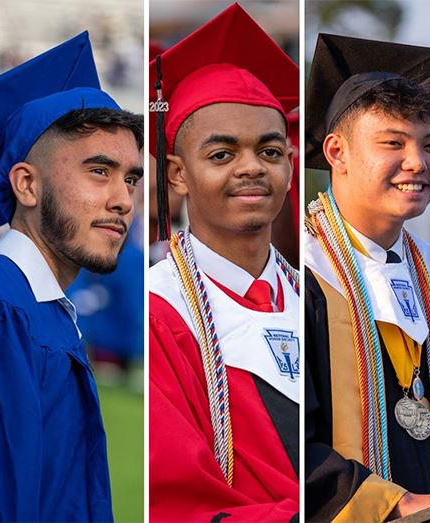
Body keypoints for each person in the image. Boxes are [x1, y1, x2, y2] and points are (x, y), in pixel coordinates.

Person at [146, 4, 300, 520]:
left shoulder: (327, 298)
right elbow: (177, 504)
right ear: (177, 175)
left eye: (271, 151)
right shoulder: (159, 313)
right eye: (221, 154)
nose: (252, 167)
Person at [302, 33, 430, 522]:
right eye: (393, 143)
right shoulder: (296, 273)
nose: (417, 162)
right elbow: (278, 435)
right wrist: (388, 505)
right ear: (337, 152)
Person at [0, 32, 143, 521]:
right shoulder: (3, 312)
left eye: (131, 177)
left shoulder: (40, 308)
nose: (123, 199)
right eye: (99, 171)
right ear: (27, 184)